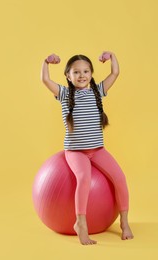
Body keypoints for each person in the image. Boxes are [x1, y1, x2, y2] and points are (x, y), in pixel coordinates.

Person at [41, 51, 134, 245]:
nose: (82, 75)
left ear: (91, 74)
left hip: (98, 150)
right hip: (75, 152)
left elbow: (115, 73)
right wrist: (46, 62)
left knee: (120, 178)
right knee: (84, 177)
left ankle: (124, 221)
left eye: (86, 71)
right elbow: (45, 79)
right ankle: (81, 223)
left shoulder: (97, 91)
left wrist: (112, 57)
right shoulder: (65, 94)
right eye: (76, 72)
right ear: (68, 76)